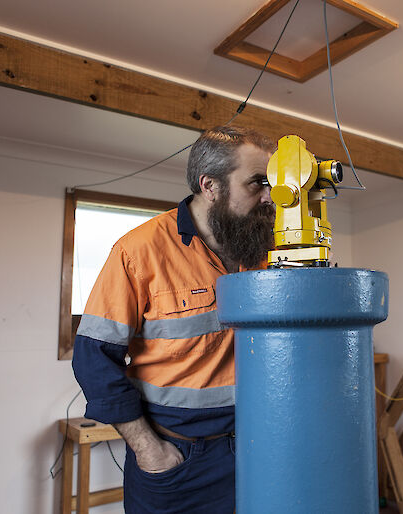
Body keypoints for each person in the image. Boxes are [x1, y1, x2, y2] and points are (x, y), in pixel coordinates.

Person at [72, 126, 276, 513]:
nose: (269, 196)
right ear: (210, 185)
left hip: (253, 448)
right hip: (176, 460)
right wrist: (150, 450)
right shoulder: (139, 250)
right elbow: (93, 358)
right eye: (257, 183)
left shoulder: (263, 251)